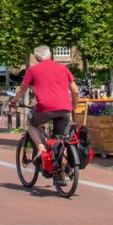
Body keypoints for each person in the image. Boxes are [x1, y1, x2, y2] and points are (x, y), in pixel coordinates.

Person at [14, 45, 79, 173]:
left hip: (45, 109)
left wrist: (14, 101)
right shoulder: (63, 68)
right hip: (65, 109)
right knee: (62, 138)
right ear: (50, 55)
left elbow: (23, 88)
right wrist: (74, 107)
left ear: (37, 58)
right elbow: (75, 91)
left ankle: (40, 148)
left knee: (30, 122)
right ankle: (63, 168)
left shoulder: (33, 70)